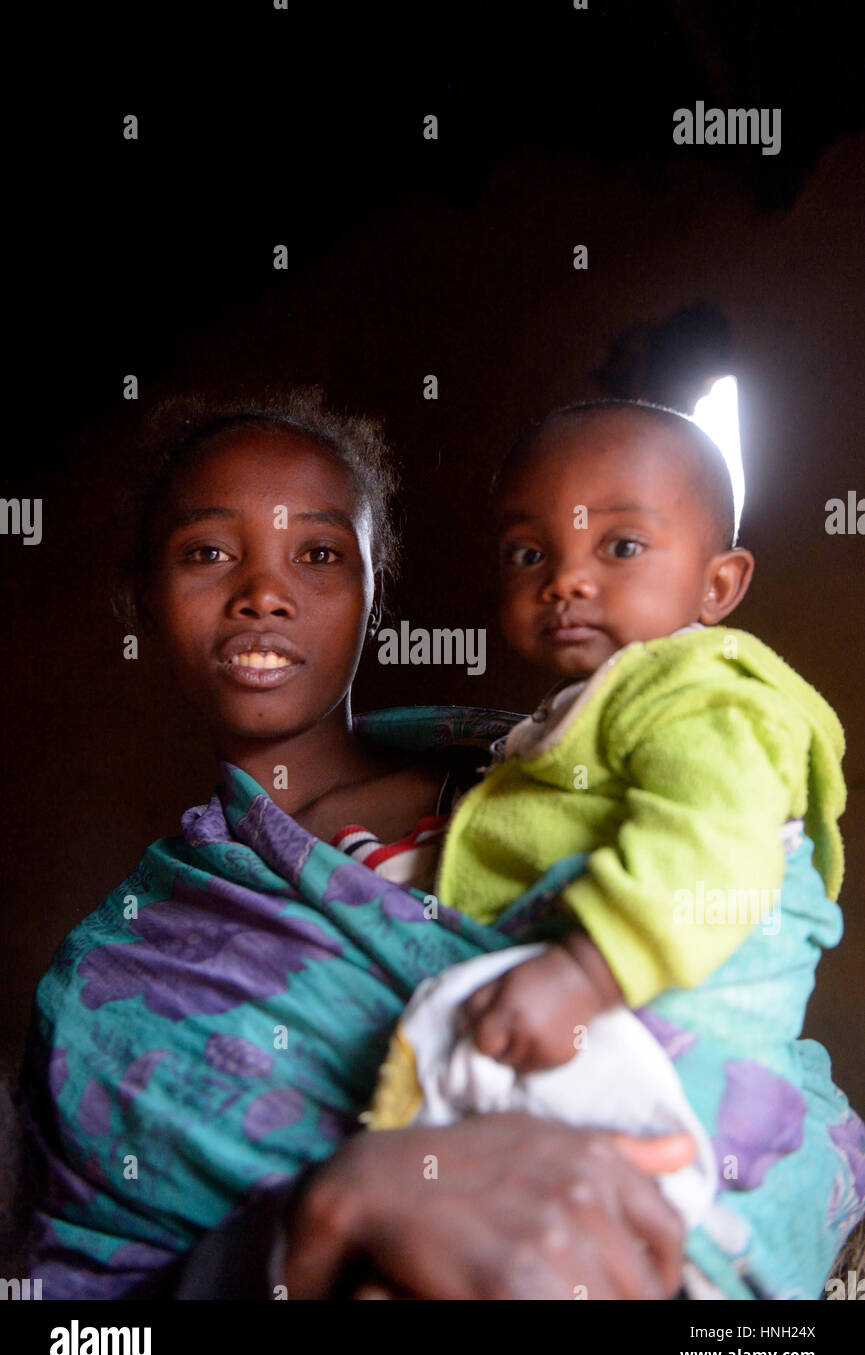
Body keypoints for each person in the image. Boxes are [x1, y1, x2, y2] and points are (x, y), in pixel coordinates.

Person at [16, 388, 693, 1300]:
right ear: (147, 594)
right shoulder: (112, 983)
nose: (262, 594)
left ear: (375, 594)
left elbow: (739, 905)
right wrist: (309, 1223)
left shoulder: (541, 768)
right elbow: (85, 1327)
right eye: (209, 552)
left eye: (321, 554)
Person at [364, 400, 865, 1299]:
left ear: (717, 586)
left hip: (679, 990)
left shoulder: (702, 690)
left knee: (637, 1176)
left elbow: (709, 841)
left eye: (620, 547)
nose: (565, 580)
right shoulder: (567, 717)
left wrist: (586, 973)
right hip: (615, 989)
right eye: (529, 553)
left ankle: (702, 1268)